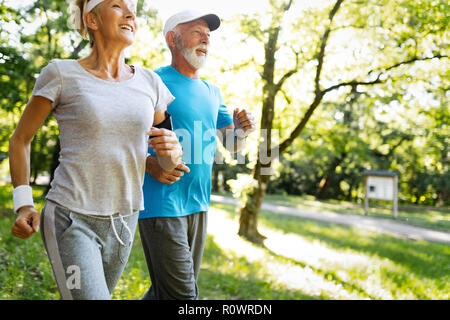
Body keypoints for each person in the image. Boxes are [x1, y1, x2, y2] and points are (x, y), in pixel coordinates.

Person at [9, 0, 182, 300]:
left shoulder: (151, 83)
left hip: (124, 222)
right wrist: (23, 203)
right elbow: (21, 138)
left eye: (132, 8)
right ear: (92, 19)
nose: (130, 13)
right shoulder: (61, 74)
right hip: (70, 218)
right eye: (117, 5)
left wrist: (173, 153)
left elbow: (166, 158)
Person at [139, 10, 256, 300]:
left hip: (199, 204)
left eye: (208, 34)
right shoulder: (151, 81)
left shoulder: (212, 91)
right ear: (172, 39)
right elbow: (121, 135)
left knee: (164, 292)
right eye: (196, 32)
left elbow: (232, 144)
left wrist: (244, 131)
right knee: (184, 297)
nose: (206, 39)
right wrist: (149, 163)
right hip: (161, 203)